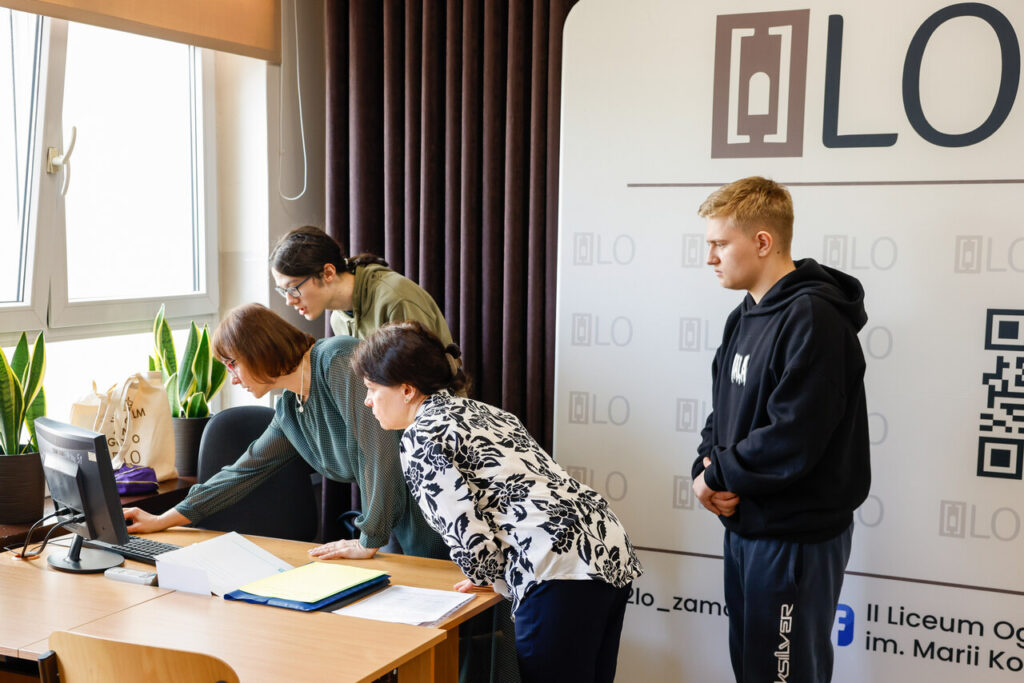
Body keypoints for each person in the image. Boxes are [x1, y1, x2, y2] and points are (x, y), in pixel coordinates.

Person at [352, 321, 643, 683]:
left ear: (407, 390)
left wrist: (482, 574)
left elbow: (466, 535)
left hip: (555, 566)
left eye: (372, 389)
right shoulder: (485, 411)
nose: (367, 401)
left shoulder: (421, 437)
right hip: (607, 547)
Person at [691, 177, 871, 682]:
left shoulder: (815, 317)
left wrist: (717, 475)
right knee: (753, 670)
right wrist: (706, 469)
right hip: (746, 526)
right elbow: (723, 414)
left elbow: (794, 436)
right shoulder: (743, 316)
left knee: (784, 676)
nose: (710, 257)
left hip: (795, 538)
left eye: (720, 244)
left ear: (763, 242)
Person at [123, 303, 448, 562]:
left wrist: (369, 538)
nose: (232, 378)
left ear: (257, 350)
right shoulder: (292, 409)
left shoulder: (337, 360)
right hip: (391, 519)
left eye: (232, 364)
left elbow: (381, 453)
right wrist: (160, 519)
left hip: (435, 505)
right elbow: (240, 473)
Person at [269, 225, 454, 345]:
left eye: (293, 288)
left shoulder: (396, 299)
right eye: (283, 291)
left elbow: (426, 379)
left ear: (328, 273)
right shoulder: (338, 319)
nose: (289, 301)